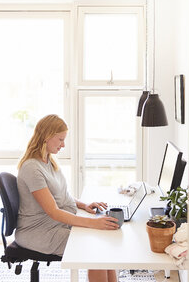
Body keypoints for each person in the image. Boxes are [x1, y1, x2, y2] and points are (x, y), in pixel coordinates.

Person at [15, 114, 119, 282]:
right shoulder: (32, 168)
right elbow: (54, 212)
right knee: (97, 251)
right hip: (39, 232)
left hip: (56, 225)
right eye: (60, 139)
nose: (63, 145)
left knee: (103, 246)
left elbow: (61, 195)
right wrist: (94, 223)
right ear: (47, 137)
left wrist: (84, 205)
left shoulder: (48, 161)